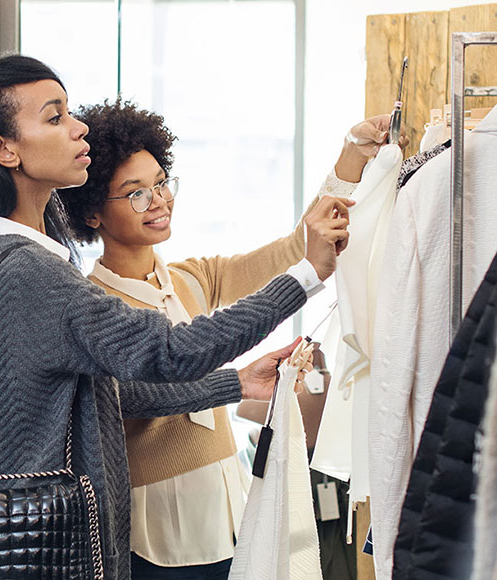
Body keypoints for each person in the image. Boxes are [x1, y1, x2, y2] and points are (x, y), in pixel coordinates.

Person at [0, 54, 353, 580]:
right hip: (91, 533)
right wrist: (305, 277)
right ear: (5, 150)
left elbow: (115, 390)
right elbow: (169, 352)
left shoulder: (1, 252)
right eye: (54, 117)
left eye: (161, 183)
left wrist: (234, 382)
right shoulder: (30, 270)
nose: (77, 128)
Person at [59, 100, 394, 580]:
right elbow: (129, 398)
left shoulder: (190, 280)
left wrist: (351, 158)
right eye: (135, 194)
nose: (158, 201)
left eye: (160, 183)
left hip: (225, 511)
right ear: (93, 213)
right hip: (153, 532)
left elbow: (294, 250)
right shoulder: (93, 304)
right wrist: (235, 382)